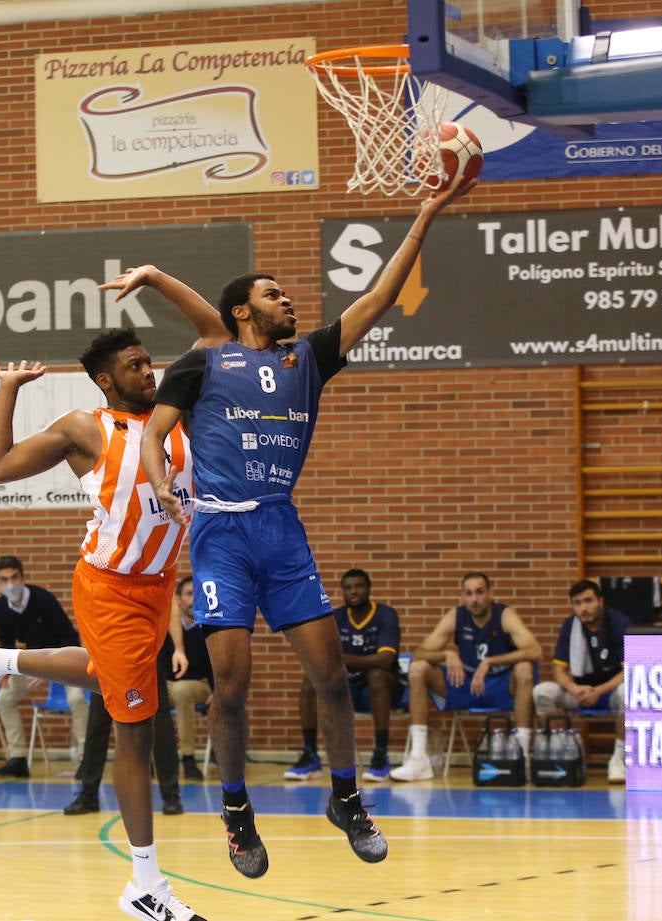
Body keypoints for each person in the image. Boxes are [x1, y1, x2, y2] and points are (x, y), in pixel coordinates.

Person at [137, 175, 476, 877]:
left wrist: (427, 211)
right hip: (222, 535)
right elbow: (156, 433)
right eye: (272, 292)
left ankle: (346, 799)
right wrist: (163, 482)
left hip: (282, 530)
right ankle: (236, 815)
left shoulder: (306, 358)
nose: (287, 298)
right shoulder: (202, 362)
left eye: (287, 292)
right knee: (229, 687)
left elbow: (379, 298)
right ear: (241, 310)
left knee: (329, 676)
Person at [0, 266, 229, 921]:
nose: (149, 370)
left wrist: (160, 278)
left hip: (158, 585)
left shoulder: (179, 415)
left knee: (113, 677)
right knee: (137, 729)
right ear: (108, 380)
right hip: (108, 585)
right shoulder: (88, 427)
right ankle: (143, 884)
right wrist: (8, 390)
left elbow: (215, 331)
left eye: (149, 360)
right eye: (135, 365)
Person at [390, 572, 540, 782]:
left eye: (479, 592)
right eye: (468, 594)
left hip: (500, 686)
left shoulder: (504, 615)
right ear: (463, 597)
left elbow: (535, 651)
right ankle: (419, 759)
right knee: (418, 668)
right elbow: (420, 653)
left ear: (490, 594)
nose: (474, 599)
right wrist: (447, 653)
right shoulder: (456, 616)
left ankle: (521, 757)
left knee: (524, 668)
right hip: (465, 685)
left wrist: (490, 661)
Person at [286, 569, 404, 783]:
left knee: (377, 675)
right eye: (348, 588)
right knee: (310, 681)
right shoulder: (336, 617)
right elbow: (321, 658)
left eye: (359, 586)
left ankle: (380, 755)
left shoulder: (386, 615)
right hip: (347, 688)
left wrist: (343, 658)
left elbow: (385, 660)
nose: (354, 592)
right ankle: (310, 754)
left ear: (368, 589)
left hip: (383, 691)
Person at [0, 555, 88, 778]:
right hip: (34, 660)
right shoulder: (0, 607)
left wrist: (52, 674)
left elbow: (70, 638)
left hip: (64, 657)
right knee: (5, 696)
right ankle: (18, 758)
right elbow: (7, 643)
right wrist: (5, 668)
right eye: (4, 580)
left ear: (23, 578)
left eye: (14, 577)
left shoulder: (44, 599)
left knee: (77, 700)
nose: (10, 584)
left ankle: (85, 759)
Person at [64, 646, 183, 817]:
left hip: (145, 651)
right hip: (108, 655)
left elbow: (170, 618)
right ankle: (88, 794)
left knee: (160, 721)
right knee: (97, 722)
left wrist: (177, 647)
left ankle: (171, 795)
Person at [533, 580, 630, 784]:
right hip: (581, 692)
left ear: (600, 601)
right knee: (541, 692)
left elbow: (629, 671)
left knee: (629, 692)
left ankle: (618, 759)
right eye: (577, 603)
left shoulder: (618, 622)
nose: (583, 608)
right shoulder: (570, 625)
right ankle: (563, 754)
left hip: (609, 691)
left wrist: (599, 690)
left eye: (588, 601)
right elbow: (558, 671)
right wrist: (575, 689)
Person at [166, 576, 212, 782]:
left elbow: (216, 665)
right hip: (168, 684)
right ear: (177, 599)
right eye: (189, 594)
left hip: (199, 684)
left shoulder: (207, 626)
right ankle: (149, 756)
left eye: (197, 594)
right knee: (141, 694)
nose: (194, 599)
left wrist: (218, 690)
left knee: (183, 691)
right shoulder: (166, 625)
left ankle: (188, 757)